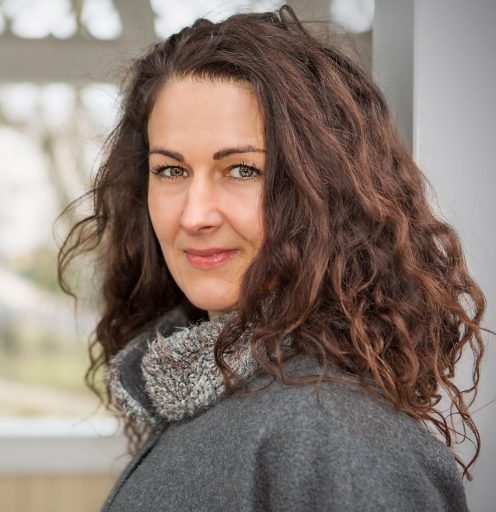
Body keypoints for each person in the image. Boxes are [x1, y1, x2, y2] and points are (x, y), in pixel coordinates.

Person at [58, 5, 486, 511]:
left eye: (243, 170)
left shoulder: (335, 434)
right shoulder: (205, 394)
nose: (194, 215)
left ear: (325, 189)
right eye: (171, 171)